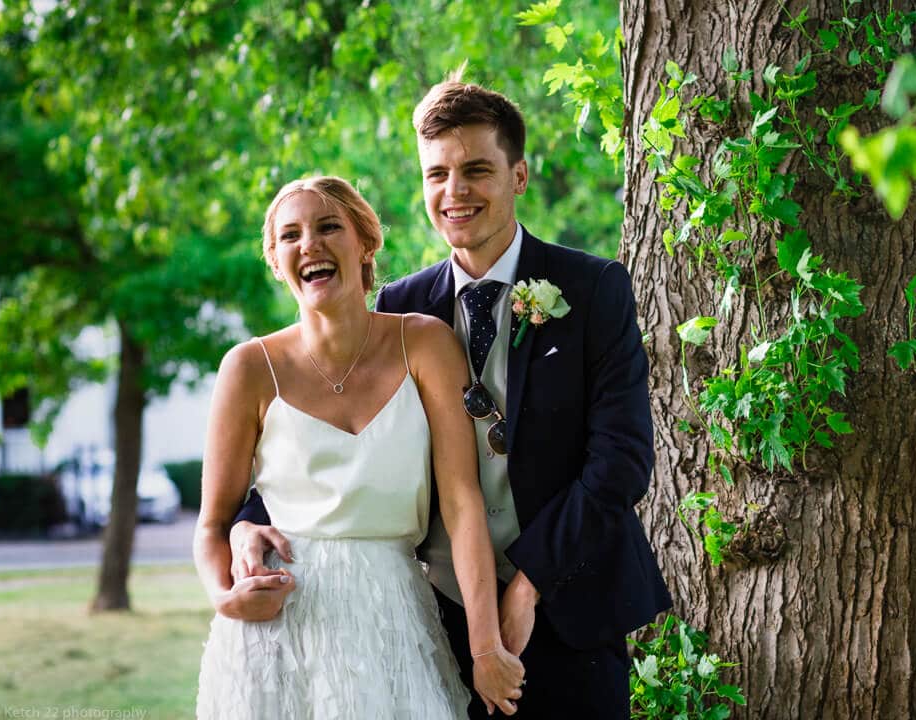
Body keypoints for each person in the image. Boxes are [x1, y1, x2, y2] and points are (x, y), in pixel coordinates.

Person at [234, 76, 672, 718]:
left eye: (476, 170)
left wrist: (528, 586)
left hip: (572, 605)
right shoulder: (401, 305)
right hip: (436, 618)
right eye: (437, 174)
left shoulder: (593, 287)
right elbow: (334, 427)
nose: (455, 191)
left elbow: (622, 462)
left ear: (518, 176)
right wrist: (250, 517)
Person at [193, 175, 525, 719]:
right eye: (290, 236)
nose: (310, 246)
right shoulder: (248, 368)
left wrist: (484, 645)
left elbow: (462, 504)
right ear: (276, 261)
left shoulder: (423, 342)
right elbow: (213, 523)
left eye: (329, 227)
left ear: (365, 242)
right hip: (278, 629)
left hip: (396, 620)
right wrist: (223, 595)